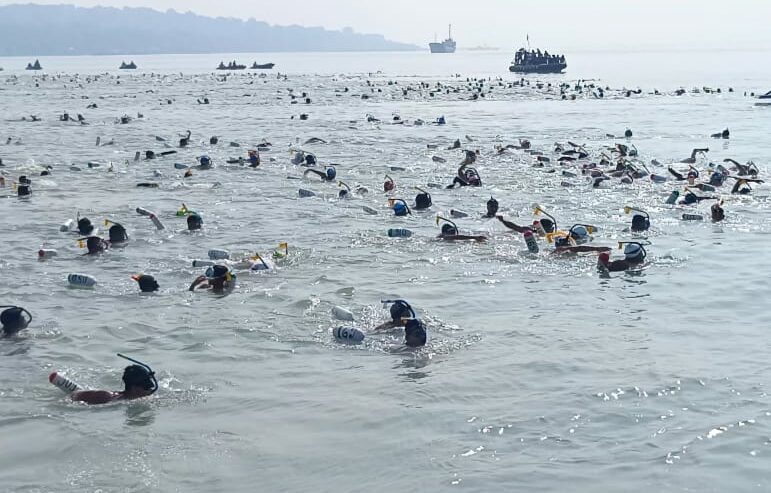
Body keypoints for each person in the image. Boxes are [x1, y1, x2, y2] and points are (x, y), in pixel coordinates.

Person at [70, 356, 157, 405]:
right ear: (134, 388)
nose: (150, 389)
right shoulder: (107, 397)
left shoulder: (143, 399)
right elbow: (74, 396)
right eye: (146, 387)